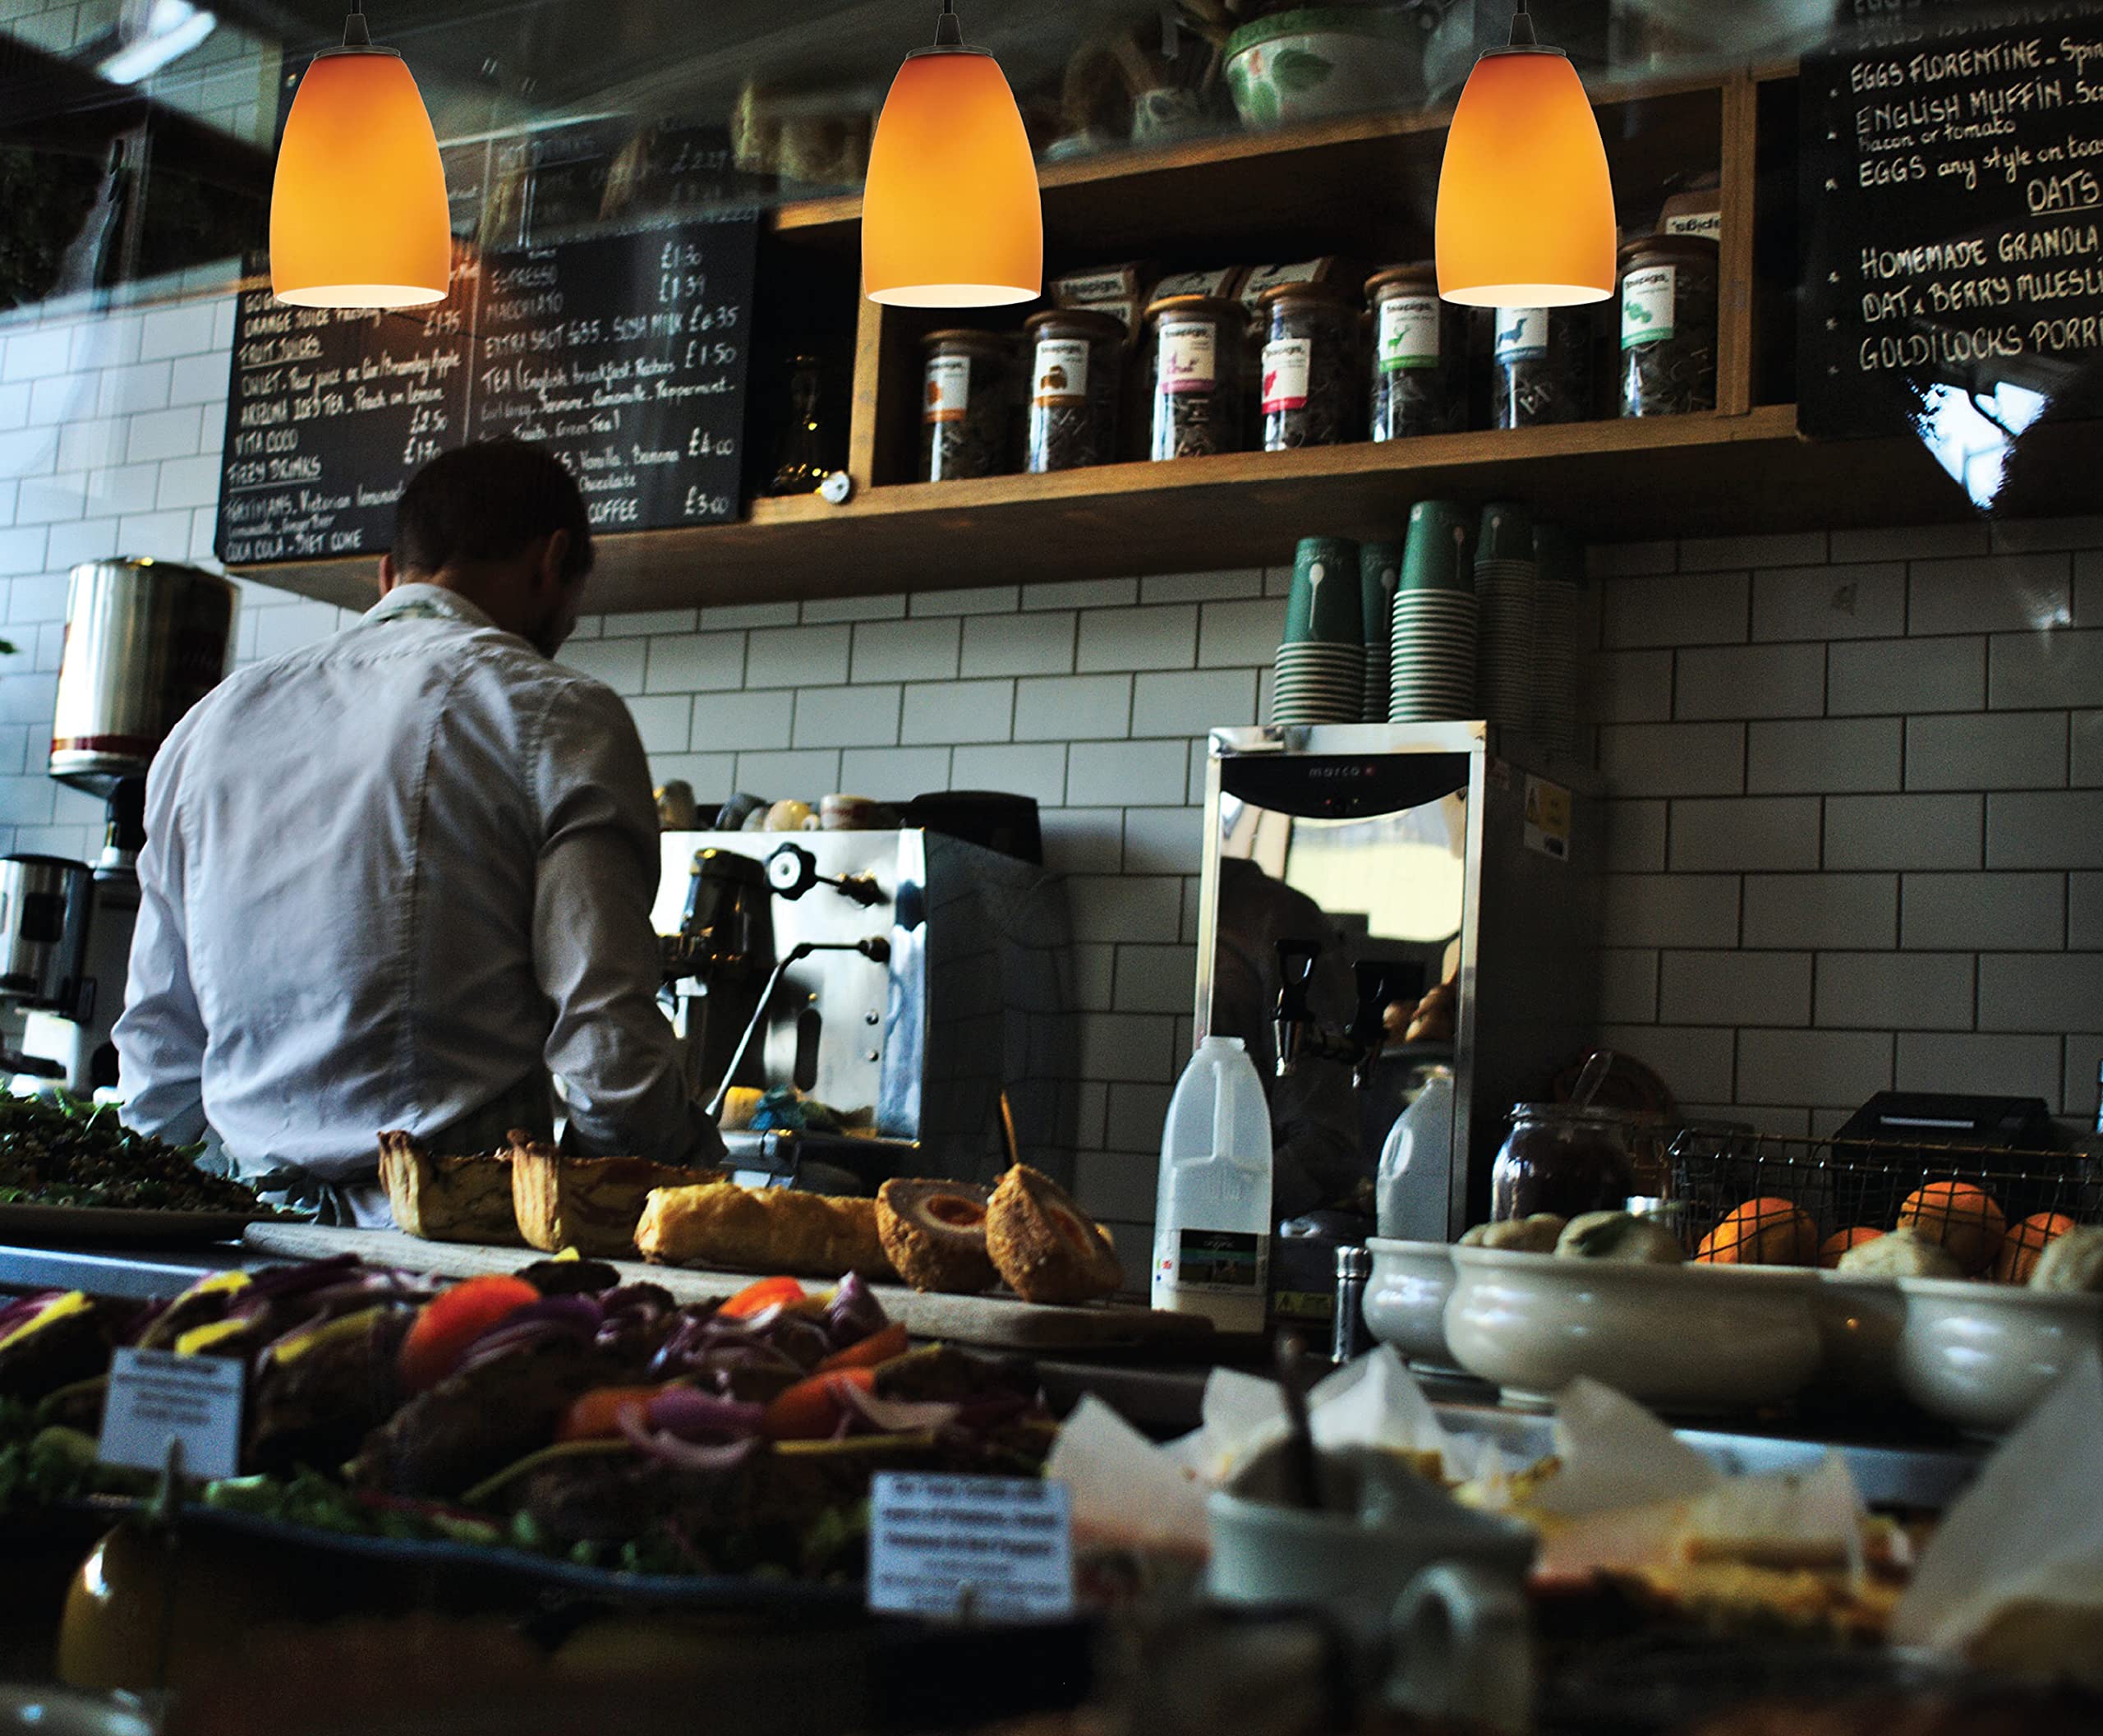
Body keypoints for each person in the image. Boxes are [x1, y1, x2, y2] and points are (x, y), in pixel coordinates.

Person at [115, 440, 722, 1224]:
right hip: (451, 1250)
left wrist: (169, 1225)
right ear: (553, 561)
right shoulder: (557, 713)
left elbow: (159, 1042)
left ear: (387, 575)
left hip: (245, 1241)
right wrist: (683, 1179)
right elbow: (607, 1044)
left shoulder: (209, 726)